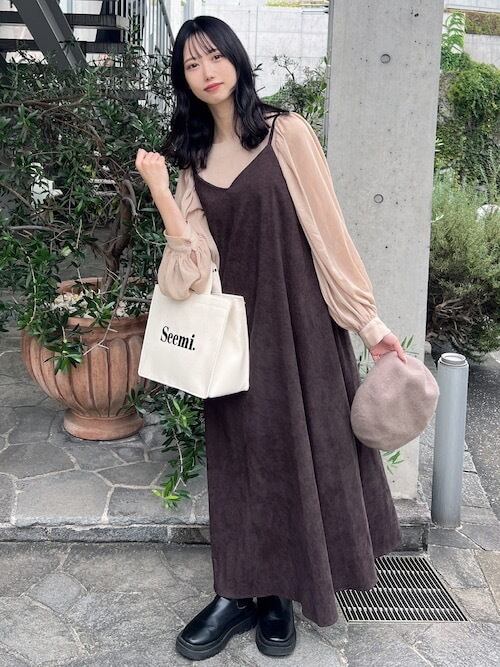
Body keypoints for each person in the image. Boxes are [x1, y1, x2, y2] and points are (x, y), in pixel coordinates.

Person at [135, 15, 406, 662]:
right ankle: (236, 591)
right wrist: (161, 192)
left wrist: (367, 322)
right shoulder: (194, 161)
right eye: (192, 64)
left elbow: (329, 232)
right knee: (239, 458)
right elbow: (188, 270)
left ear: (235, 58)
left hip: (302, 326)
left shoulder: (287, 133)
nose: (207, 71)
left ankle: (281, 593)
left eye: (215, 56)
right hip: (235, 333)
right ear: (183, 79)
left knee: (295, 454)